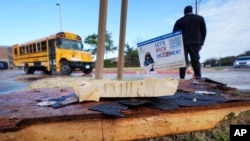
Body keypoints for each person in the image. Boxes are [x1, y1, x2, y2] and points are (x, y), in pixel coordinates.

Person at [173, 5, 206, 79]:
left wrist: (175, 46)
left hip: (182, 44)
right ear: (191, 11)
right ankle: (198, 77)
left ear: (184, 12)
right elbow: (204, 32)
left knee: (183, 61)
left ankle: (182, 78)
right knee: (195, 60)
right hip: (196, 42)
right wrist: (201, 42)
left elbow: (174, 34)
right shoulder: (200, 19)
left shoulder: (179, 21)